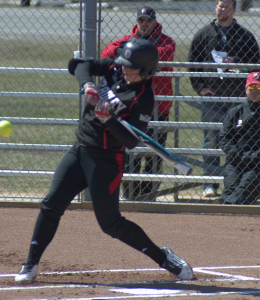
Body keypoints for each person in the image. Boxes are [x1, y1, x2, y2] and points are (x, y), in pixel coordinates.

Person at [14, 39, 193, 284]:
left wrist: (108, 119)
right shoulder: (114, 69)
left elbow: (130, 141)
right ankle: (31, 263)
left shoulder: (144, 97)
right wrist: (88, 85)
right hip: (80, 150)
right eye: (123, 64)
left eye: (131, 66)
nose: (123, 68)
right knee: (51, 205)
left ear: (146, 70)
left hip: (107, 160)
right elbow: (77, 64)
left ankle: (163, 258)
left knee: (110, 224)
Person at [102, 6, 175, 200]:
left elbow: (162, 56)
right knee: (129, 153)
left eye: (148, 20)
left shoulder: (167, 42)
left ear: (154, 22)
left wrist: (130, 53)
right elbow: (106, 53)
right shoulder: (127, 39)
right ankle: (130, 194)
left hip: (159, 107)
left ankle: (147, 195)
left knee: (153, 154)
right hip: (131, 106)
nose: (144, 24)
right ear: (137, 23)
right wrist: (124, 48)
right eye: (141, 20)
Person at [187, 0, 260, 198]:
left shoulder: (244, 36)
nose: (223, 10)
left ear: (234, 9)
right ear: (215, 8)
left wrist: (236, 62)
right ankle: (209, 185)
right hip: (213, 96)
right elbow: (192, 63)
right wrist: (200, 88)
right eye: (220, 6)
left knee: (242, 140)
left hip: (238, 98)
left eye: (227, 6)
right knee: (211, 139)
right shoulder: (204, 34)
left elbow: (256, 64)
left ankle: (239, 185)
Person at [218, 72, 260, 205]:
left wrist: (254, 156)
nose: (255, 91)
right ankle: (226, 212)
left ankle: (224, 208)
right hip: (236, 160)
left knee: (243, 191)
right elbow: (224, 138)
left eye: (258, 88)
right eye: (251, 87)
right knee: (230, 190)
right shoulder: (235, 112)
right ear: (245, 89)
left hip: (257, 163)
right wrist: (238, 154)